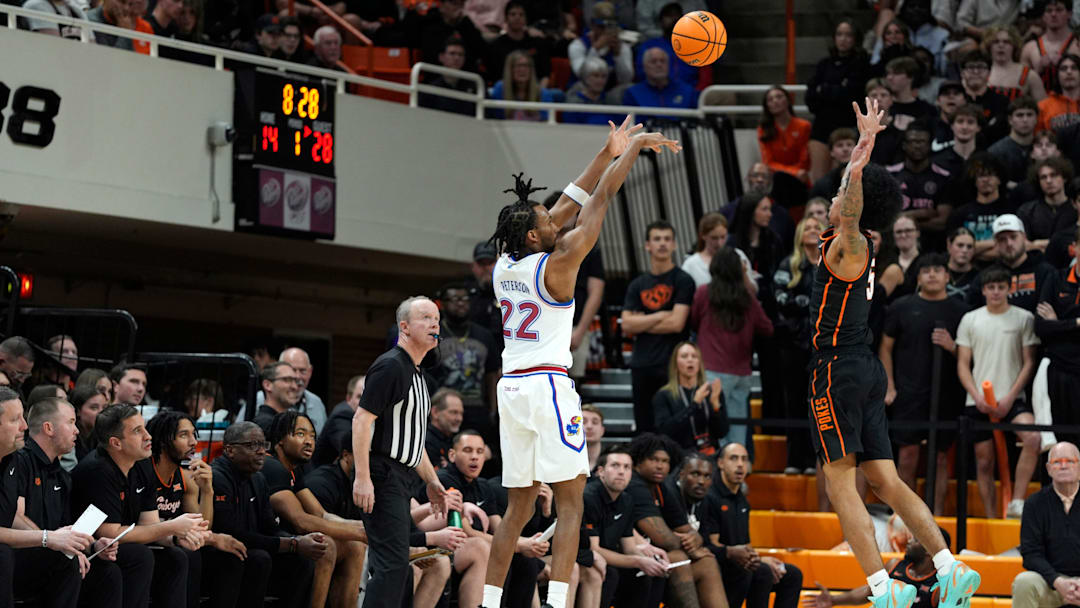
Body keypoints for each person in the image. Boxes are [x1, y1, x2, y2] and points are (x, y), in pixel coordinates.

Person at [481, 119, 679, 608]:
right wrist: (631, 150)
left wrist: (603, 150)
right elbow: (599, 199)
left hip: (511, 390)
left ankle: (488, 603)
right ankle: (555, 603)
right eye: (547, 224)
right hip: (549, 388)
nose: (557, 222)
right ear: (533, 236)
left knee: (518, 506)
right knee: (572, 504)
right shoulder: (561, 262)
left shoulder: (505, 263)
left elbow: (569, 200)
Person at [809, 95, 979, 608]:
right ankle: (949, 567)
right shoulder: (856, 245)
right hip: (860, 368)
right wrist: (862, 148)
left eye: (842, 191)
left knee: (840, 483)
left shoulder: (852, 243)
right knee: (884, 478)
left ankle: (884, 590)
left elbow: (851, 206)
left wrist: (859, 161)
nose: (836, 195)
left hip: (836, 369)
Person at [351, 295, 449, 608]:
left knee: (398, 568)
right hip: (382, 475)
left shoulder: (419, 374)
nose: (434, 323)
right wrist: (363, 477)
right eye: (425, 318)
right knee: (392, 566)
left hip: (403, 478)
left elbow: (412, 441)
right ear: (404, 327)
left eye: (436, 318)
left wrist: (432, 481)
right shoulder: (391, 365)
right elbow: (362, 420)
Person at [71, 404, 205, 608]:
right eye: (137, 431)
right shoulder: (98, 470)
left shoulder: (140, 466)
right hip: (89, 547)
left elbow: (149, 524)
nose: (148, 436)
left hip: (117, 545)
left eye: (144, 427)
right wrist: (172, 527)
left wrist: (176, 537)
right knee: (139, 556)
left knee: (176, 556)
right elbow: (108, 532)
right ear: (116, 443)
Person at [879, 254, 969, 514]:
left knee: (940, 457)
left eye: (937, 270)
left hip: (947, 393)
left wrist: (952, 346)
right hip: (909, 392)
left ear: (947, 276)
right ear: (917, 277)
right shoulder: (901, 306)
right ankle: (904, 514)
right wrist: (890, 385)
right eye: (926, 271)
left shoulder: (961, 310)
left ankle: (936, 515)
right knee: (907, 455)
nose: (931, 275)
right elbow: (885, 347)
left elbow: (970, 353)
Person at [208, 422, 324, 608]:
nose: (261, 451)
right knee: (258, 558)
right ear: (230, 450)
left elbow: (270, 528)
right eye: (252, 445)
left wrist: (298, 540)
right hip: (219, 551)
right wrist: (292, 544)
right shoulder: (218, 477)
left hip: (253, 548)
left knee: (303, 560)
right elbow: (231, 532)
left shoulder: (258, 479)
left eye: (263, 445)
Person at [957, 265, 1041, 518]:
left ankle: (1017, 502)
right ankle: (992, 517)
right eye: (990, 288)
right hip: (978, 400)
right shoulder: (970, 319)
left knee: (1033, 438)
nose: (995, 292)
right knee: (984, 461)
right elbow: (962, 364)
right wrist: (977, 396)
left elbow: (1029, 362)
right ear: (983, 290)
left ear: (1009, 289)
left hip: (1012, 398)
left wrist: (1010, 396)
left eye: (1000, 287)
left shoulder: (1023, 318)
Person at [1, 392, 96, 608]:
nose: (77, 430)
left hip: (37, 551)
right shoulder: (20, 460)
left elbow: (62, 529)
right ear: (49, 428)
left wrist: (91, 545)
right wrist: (50, 540)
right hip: (19, 552)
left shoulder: (62, 476)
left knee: (105, 568)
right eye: (71, 422)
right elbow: (15, 518)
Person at [262, 411, 365, 608]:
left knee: (354, 545)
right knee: (325, 545)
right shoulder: (272, 467)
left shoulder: (294, 469)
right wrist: (360, 532)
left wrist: (362, 529)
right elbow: (301, 521)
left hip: (288, 539)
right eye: (300, 434)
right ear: (281, 439)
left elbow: (320, 514)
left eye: (312, 436)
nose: (309, 441)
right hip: (268, 541)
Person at [625, 433, 729, 608]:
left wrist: (694, 540)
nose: (660, 466)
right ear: (638, 461)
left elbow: (689, 531)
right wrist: (691, 546)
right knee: (678, 557)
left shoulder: (661, 486)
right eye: (654, 460)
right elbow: (664, 539)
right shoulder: (634, 485)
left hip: (655, 556)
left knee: (706, 562)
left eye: (665, 461)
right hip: (624, 554)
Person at [701, 443, 803, 608]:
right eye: (734, 458)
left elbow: (746, 543)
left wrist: (762, 559)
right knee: (761, 572)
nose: (740, 464)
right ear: (720, 463)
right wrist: (758, 562)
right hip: (721, 562)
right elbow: (713, 544)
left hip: (742, 561)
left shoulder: (742, 499)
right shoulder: (711, 497)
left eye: (744, 459)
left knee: (792, 574)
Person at [690, 249, 772, 453]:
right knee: (737, 433)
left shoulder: (703, 293)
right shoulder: (747, 299)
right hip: (741, 372)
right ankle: (737, 481)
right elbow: (767, 328)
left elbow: (692, 322)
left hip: (710, 372)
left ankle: (716, 481)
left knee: (711, 432)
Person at [622, 219, 696, 434]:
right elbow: (627, 324)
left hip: (672, 365)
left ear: (674, 245)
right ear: (647, 245)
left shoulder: (683, 280)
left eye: (667, 239)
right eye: (657, 239)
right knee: (644, 428)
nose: (662, 244)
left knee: (672, 427)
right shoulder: (637, 284)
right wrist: (662, 314)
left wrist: (642, 321)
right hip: (641, 364)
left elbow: (676, 323)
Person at [144, 410, 218, 608]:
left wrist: (208, 491)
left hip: (169, 541)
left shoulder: (185, 478)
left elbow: (202, 526)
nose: (193, 442)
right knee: (181, 555)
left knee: (194, 551)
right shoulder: (144, 472)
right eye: (184, 435)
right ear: (162, 440)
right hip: (144, 541)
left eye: (194, 434)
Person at [580, 445, 669, 608]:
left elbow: (629, 546)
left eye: (626, 467)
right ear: (601, 471)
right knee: (611, 574)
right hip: (586, 556)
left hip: (609, 557)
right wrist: (638, 561)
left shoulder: (627, 500)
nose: (621, 471)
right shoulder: (589, 497)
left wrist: (650, 560)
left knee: (651, 573)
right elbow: (595, 549)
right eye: (615, 466)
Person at [774, 216, 825, 474]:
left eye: (818, 227)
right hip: (793, 345)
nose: (813, 230)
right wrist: (803, 302)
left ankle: (814, 458)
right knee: (794, 401)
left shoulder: (829, 264)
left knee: (817, 403)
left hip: (822, 345)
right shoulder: (789, 264)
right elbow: (780, 298)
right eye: (808, 227)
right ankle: (795, 459)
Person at [1011, 441, 1080, 608]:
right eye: (1057, 462)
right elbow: (1030, 553)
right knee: (1024, 583)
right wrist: (1057, 581)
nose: (1064, 466)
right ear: (1049, 469)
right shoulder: (1035, 503)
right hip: (1051, 583)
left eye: (1070, 461)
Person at [802, 532, 950, 608]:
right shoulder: (894, 565)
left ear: (930, 550)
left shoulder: (941, 586)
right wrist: (834, 600)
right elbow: (868, 592)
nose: (909, 541)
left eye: (916, 540)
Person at [807, 19, 872, 182]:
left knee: (845, 180)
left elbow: (851, 96)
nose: (843, 39)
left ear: (855, 38)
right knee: (819, 180)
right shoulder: (823, 64)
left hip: (847, 126)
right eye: (839, 34)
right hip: (821, 127)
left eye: (848, 35)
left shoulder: (861, 64)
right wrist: (838, 89)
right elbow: (810, 99)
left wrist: (825, 89)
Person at [1036, 237, 1080, 446]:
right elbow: (1041, 327)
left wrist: (1059, 323)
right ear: (1074, 248)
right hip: (1059, 370)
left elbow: (1052, 327)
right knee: (1060, 440)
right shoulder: (1056, 278)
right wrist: (1076, 323)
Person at [966, 214, 1059, 313]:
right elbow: (972, 313)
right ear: (995, 243)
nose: (1009, 243)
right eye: (1002, 239)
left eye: (1013, 237)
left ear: (1024, 237)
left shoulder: (1046, 272)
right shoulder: (985, 277)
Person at [651, 341, 729, 454]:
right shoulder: (663, 395)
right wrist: (694, 404)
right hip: (680, 456)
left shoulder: (711, 392)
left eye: (694, 356)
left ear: (699, 363)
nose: (690, 360)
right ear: (675, 364)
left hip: (710, 455)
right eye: (684, 356)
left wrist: (716, 405)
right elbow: (665, 432)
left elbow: (722, 432)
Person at [887, 121, 952, 244]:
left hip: (933, 244)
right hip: (896, 244)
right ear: (904, 145)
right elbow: (886, 218)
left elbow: (943, 222)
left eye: (922, 142)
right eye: (912, 142)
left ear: (929, 145)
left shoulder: (943, 177)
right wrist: (922, 213)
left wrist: (906, 219)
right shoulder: (890, 175)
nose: (917, 146)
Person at [946, 152, 1016, 261]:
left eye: (990, 174)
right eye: (980, 175)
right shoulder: (959, 214)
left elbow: (1014, 248)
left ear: (1000, 179)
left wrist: (973, 250)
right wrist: (995, 243)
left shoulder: (1011, 211)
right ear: (974, 180)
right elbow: (954, 250)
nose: (985, 180)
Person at [568, 1, 634, 89]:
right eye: (601, 27)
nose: (605, 31)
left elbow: (626, 79)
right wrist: (595, 49)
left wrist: (618, 55)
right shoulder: (578, 45)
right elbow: (582, 76)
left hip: (609, 94)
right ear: (592, 25)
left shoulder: (622, 47)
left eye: (609, 26)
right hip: (582, 92)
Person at [622, 47, 699, 121]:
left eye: (663, 61)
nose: (659, 65)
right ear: (644, 67)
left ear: (668, 65)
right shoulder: (633, 94)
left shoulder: (687, 91)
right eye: (653, 61)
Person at [1021, 0, 1080, 94]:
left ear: (1069, 14)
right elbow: (1021, 86)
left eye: (1059, 10)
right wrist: (1038, 69)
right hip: (1040, 104)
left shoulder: (1077, 45)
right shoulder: (1030, 48)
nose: (1053, 14)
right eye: (1049, 10)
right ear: (1043, 16)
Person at [1017, 158, 1078, 250]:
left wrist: (1038, 244)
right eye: (1043, 177)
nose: (1048, 181)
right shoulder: (1027, 211)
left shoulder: (1076, 207)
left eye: (1053, 175)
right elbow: (1022, 245)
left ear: (1064, 178)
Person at [488, 1, 551, 88]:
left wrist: (539, 93)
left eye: (521, 15)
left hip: (535, 90)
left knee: (557, 94)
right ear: (506, 18)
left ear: (526, 19)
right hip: (505, 91)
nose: (517, 17)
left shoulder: (537, 43)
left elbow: (545, 74)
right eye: (513, 14)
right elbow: (495, 76)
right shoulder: (497, 45)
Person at [759, 85, 812, 188]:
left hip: (800, 177)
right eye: (770, 99)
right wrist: (793, 172)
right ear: (767, 106)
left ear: (788, 100)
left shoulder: (804, 126)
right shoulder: (763, 129)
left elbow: (805, 158)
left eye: (779, 97)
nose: (775, 101)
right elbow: (768, 162)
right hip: (776, 178)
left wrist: (797, 173)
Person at [489, 50, 560, 121]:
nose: (522, 69)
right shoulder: (500, 88)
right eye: (518, 66)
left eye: (526, 66)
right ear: (509, 69)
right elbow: (494, 119)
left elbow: (546, 124)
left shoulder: (543, 94)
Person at [989, 97, 1040, 191]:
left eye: (1029, 115)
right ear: (1010, 120)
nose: (1025, 120)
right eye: (1020, 115)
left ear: (1036, 118)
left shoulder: (1045, 148)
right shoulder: (996, 151)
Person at [961, 50, 1012, 145]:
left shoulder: (1002, 102)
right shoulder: (956, 101)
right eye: (971, 67)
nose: (976, 72)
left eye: (981, 67)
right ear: (962, 72)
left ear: (989, 72)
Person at [312, 375, 363, 468]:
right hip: (325, 478)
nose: (364, 402)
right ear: (348, 398)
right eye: (359, 397)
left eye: (368, 397)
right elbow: (350, 448)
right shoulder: (342, 415)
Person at [986, 26, 1047, 101]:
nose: (1001, 45)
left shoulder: (1029, 75)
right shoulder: (978, 73)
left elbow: (1043, 108)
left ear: (1014, 46)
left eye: (1006, 42)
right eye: (996, 42)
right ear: (989, 46)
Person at [562, 58, 621, 125]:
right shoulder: (573, 103)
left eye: (603, 76)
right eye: (596, 76)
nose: (600, 80)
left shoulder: (611, 101)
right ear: (585, 77)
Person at [879, 215, 922, 301]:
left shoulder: (926, 260)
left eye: (908, 230)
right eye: (898, 232)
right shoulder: (884, 262)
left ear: (917, 233)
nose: (903, 235)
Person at [253, 362, 302, 434]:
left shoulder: (282, 421)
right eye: (287, 379)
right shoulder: (265, 425)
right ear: (268, 385)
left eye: (295, 381)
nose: (295, 387)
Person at [425, 387, 464, 469]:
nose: (459, 418)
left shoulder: (455, 440)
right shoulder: (425, 441)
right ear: (435, 412)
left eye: (461, 413)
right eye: (454, 412)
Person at [945, 227, 980, 300]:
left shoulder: (979, 277)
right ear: (949, 246)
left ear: (974, 250)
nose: (964, 250)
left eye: (969, 247)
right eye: (960, 245)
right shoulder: (939, 272)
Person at [581, 403, 605, 472]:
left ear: (602, 430)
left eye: (595, 422)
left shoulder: (611, 460)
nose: (589, 426)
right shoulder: (565, 459)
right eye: (583, 421)